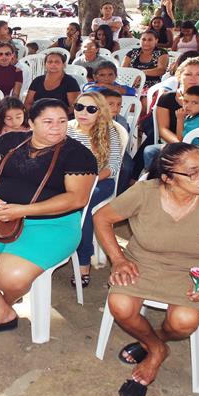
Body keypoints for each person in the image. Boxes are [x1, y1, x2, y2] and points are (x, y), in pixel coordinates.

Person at [93, 142, 199, 396]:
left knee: (183, 322)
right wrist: (118, 260)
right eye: (194, 172)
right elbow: (102, 218)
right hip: (145, 261)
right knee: (120, 305)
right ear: (167, 178)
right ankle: (156, 349)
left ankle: (150, 342)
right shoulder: (144, 192)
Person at [0, 98, 98, 339]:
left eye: (61, 121)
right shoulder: (10, 141)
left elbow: (76, 199)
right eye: (48, 121)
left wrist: (21, 210)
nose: (56, 127)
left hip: (52, 225)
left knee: (10, 276)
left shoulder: (78, 155)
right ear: (31, 123)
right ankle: (2, 310)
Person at [68, 92, 123, 288]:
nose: (83, 113)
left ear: (100, 112)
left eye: (91, 109)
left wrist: (92, 180)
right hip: (70, 181)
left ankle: (83, 260)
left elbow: (114, 165)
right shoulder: (66, 129)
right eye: (79, 107)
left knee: (84, 206)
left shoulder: (110, 132)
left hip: (101, 181)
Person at [141, 58, 199, 174]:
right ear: (179, 76)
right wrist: (181, 146)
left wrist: (196, 149)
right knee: (150, 151)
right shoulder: (167, 98)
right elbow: (163, 129)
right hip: (173, 143)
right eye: (188, 74)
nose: (193, 78)